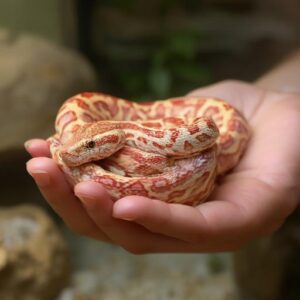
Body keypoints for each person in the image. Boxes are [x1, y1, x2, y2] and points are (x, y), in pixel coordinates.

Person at [25, 51, 300, 254]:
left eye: (91, 146)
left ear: (113, 139)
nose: (82, 151)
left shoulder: (145, 136)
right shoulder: (114, 131)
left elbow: (175, 146)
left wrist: (275, 103)